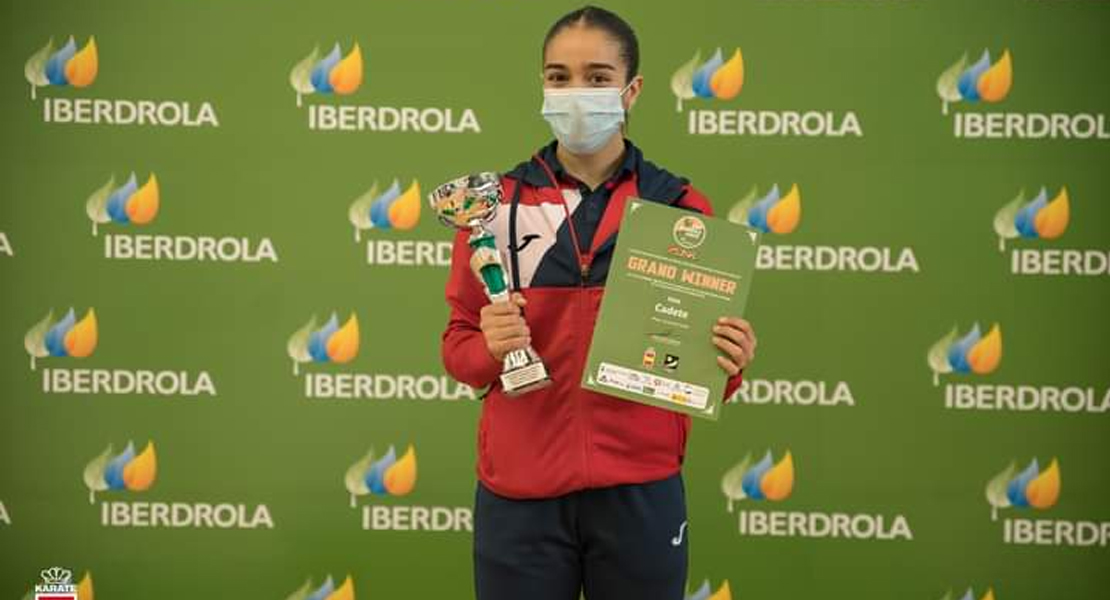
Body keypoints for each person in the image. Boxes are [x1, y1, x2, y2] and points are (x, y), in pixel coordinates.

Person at [440, 6, 758, 600]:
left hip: (640, 491)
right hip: (520, 495)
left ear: (631, 90)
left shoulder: (680, 209)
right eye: (559, 77)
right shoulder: (492, 209)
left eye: (597, 76)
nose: (576, 93)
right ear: (542, 85)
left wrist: (728, 361)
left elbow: (698, 370)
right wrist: (488, 347)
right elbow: (458, 349)